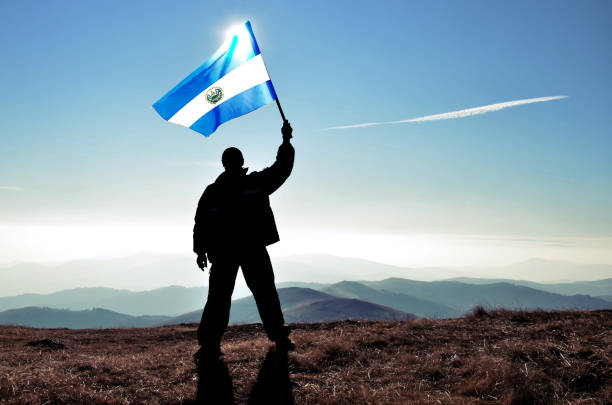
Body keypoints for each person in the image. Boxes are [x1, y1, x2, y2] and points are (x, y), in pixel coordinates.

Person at [192, 121, 295, 366]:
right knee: (259, 295)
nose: (233, 164)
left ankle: (210, 347)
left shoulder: (217, 190)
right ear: (235, 162)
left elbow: (200, 223)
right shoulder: (248, 184)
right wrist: (286, 141)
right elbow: (281, 169)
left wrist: (286, 142)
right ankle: (278, 338)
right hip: (246, 249)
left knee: (227, 298)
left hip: (231, 251)